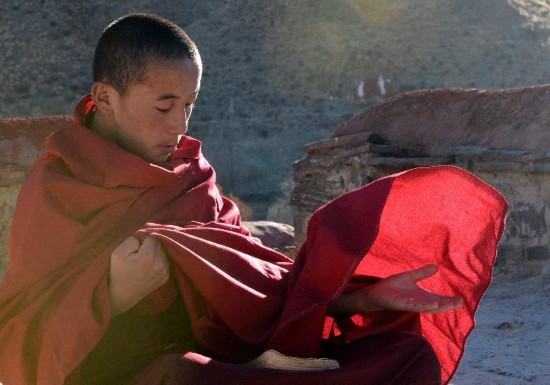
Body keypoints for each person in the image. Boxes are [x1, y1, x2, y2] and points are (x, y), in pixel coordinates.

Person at [0, 13, 508, 385]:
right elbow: (23, 339)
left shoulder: (190, 174)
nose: (180, 126)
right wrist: (113, 293)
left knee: (407, 355)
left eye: (189, 106)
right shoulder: (61, 186)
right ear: (106, 98)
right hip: (138, 371)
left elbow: (254, 284)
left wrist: (360, 298)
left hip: (230, 355)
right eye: (163, 106)